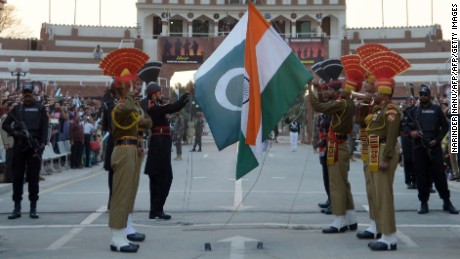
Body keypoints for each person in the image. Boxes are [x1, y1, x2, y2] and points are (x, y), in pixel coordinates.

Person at [99, 47, 150, 253]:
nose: (134, 88)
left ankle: (123, 231)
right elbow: (132, 112)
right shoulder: (117, 106)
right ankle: (116, 236)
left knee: (129, 192)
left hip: (132, 148)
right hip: (121, 149)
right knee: (120, 194)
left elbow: (147, 121)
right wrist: (128, 92)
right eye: (129, 86)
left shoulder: (128, 104)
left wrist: (134, 100)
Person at [360, 50, 410, 251]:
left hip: (383, 151)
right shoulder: (380, 109)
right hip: (374, 148)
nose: (375, 93)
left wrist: (387, 157)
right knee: (378, 194)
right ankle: (382, 231)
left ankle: (390, 237)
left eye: (378, 91)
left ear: (385, 92)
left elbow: (391, 136)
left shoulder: (391, 110)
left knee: (384, 195)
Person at [309, 58, 357, 234]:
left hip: (338, 145)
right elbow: (324, 102)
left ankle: (339, 220)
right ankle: (351, 218)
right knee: (344, 184)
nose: (327, 90)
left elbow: (318, 106)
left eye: (330, 89)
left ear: (337, 92)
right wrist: (318, 90)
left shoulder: (341, 104)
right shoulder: (345, 103)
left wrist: (309, 90)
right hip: (339, 144)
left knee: (337, 184)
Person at [404, 84, 459, 215]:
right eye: (421, 94)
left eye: (425, 94)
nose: (422, 96)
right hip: (419, 148)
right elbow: (405, 127)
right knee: (421, 177)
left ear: (429, 96)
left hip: (434, 148)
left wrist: (438, 140)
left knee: (440, 176)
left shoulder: (436, 109)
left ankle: (447, 202)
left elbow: (445, 127)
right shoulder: (414, 111)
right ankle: (424, 203)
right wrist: (412, 133)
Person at [144, 81, 193, 220]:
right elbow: (174, 106)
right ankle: (157, 209)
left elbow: (173, 107)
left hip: (160, 143)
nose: (161, 95)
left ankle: (155, 210)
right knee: (164, 177)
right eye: (159, 93)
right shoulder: (154, 108)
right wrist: (187, 93)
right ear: (153, 96)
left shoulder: (157, 107)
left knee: (157, 178)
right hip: (159, 144)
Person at [2, 82, 49, 219]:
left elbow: (44, 130)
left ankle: (33, 208)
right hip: (19, 146)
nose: (27, 94)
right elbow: (5, 125)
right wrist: (15, 133)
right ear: (23, 94)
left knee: (33, 179)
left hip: (34, 148)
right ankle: (17, 208)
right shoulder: (17, 109)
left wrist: (40, 147)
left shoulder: (40, 109)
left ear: (33, 93)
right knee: (17, 178)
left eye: (29, 92)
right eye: (25, 92)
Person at [400, 96, 417, 189]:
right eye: (408, 102)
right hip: (406, 137)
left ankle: (415, 180)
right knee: (407, 160)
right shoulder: (403, 112)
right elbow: (401, 126)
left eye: (412, 101)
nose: (410, 103)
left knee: (416, 160)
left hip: (415, 138)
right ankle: (408, 180)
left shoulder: (417, 111)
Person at [0, 100, 15, 183]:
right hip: (9, 142)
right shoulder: (6, 116)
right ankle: (9, 178)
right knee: (9, 160)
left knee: (15, 161)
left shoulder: (15, 116)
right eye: (13, 106)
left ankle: (14, 176)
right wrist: (5, 143)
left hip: (15, 142)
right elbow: (3, 131)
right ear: (9, 107)